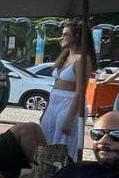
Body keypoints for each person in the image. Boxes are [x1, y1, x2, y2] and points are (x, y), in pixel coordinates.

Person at [40, 20, 96, 163]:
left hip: (70, 102)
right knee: (47, 138)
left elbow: (80, 91)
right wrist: (46, 109)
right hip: (54, 101)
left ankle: (63, 173)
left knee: (63, 143)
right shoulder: (64, 57)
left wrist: (69, 119)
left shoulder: (82, 59)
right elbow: (54, 87)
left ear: (76, 36)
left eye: (65, 34)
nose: (61, 37)